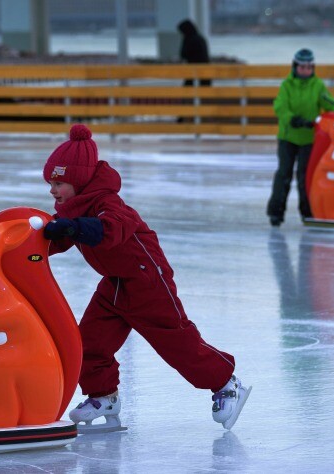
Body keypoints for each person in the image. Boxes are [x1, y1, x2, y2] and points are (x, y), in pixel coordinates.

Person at [42, 124, 250, 431]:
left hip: (147, 281)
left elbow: (108, 231)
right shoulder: (72, 208)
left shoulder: (108, 204)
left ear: (79, 180)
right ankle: (104, 396)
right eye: (50, 182)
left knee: (177, 343)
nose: (52, 190)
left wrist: (73, 228)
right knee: (88, 342)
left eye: (59, 182)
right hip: (114, 284)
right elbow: (57, 238)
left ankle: (226, 383)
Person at [266, 48, 334, 227]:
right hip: (288, 137)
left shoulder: (318, 85)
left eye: (309, 67)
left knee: (306, 176)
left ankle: (308, 211)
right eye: (302, 67)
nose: (306, 70)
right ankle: (276, 212)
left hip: (309, 140)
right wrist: (293, 119)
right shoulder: (287, 85)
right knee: (284, 174)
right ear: (295, 67)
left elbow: (329, 102)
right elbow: (280, 106)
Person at [177, 19, 211, 86]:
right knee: (205, 89)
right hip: (205, 67)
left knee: (188, 86)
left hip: (192, 67)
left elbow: (183, 54)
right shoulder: (201, 38)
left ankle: (188, 96)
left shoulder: (188, 39)